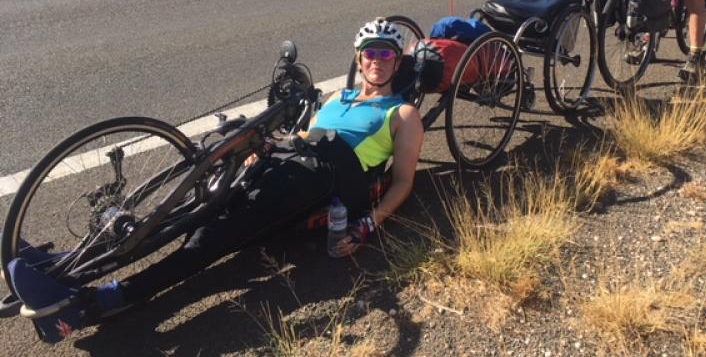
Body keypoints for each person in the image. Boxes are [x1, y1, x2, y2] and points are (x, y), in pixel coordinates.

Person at [5, 18, 425, 344]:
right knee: (185, 206)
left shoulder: (402, 114)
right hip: (285, 162)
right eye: (369, 53)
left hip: (318, 181)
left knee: (209, 237)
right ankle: (68, 263)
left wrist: (368, 224)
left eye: (385, 54)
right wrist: (258, 151)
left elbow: (403, 181)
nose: (376, 60)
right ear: (358, 58)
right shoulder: (340, 97)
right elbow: (299, 136)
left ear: (397, 61)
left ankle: (95, 304)